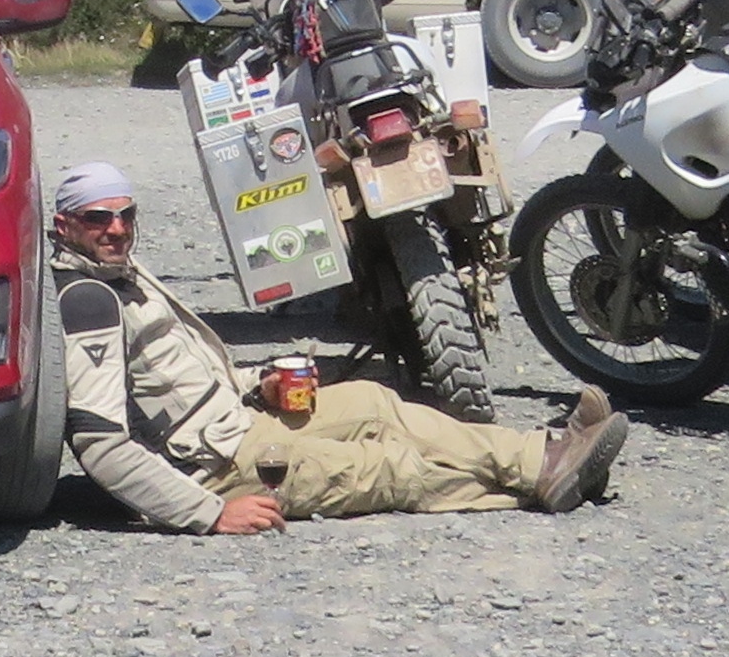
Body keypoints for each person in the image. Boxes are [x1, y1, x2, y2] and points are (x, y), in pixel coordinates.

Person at [50, 164, 628, 529]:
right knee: (386, 468)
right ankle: (543, 485)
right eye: (98, 218)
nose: (117, 228)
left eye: (125, 215)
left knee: (375, 403)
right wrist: (209, 513)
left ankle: (543, 455)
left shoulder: (120, 271)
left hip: (238, 422)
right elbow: (101, 445)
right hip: (218, 467)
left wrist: (256, 383)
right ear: (64, 226)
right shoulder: (88, 302)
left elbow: (175, 375)